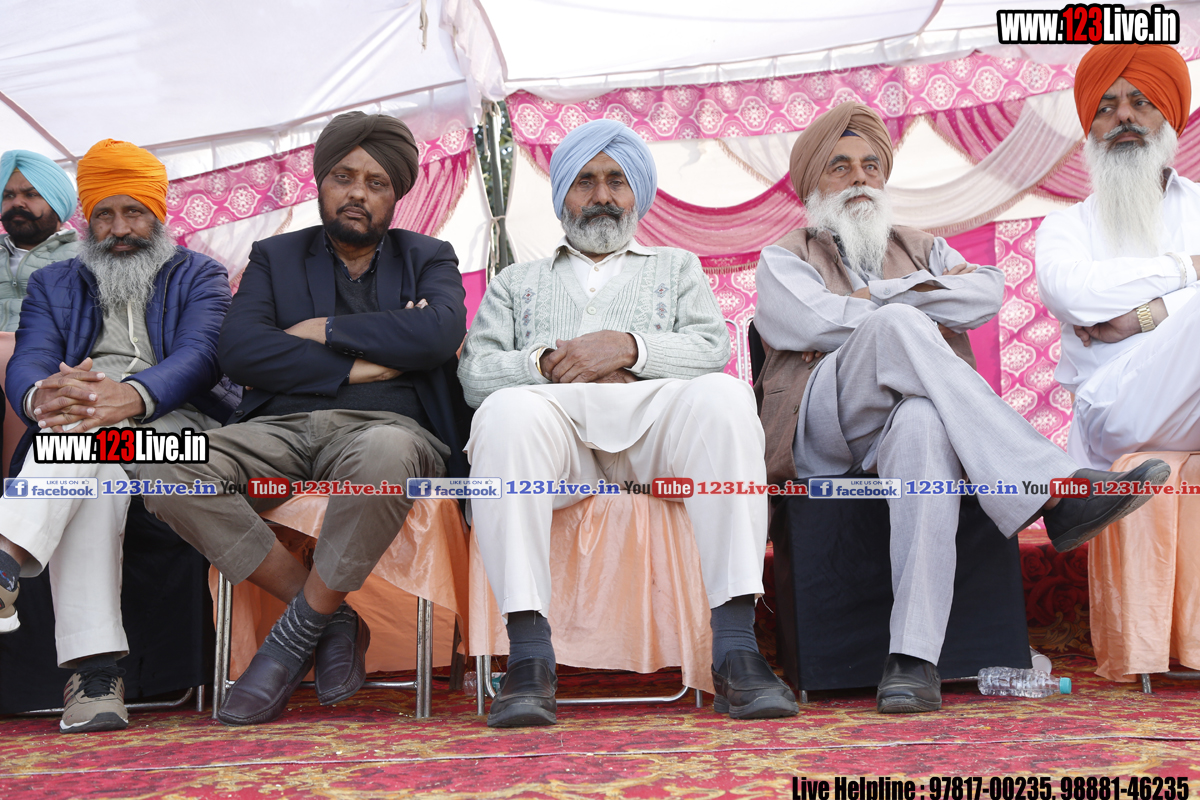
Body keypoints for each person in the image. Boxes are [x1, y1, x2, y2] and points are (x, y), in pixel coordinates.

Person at [754, 103, 1168, 715]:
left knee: (924, 425)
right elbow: (817, 321)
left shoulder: (920, 244)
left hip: (899, 424)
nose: (860, 178)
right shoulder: (784, 256)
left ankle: (912, 662)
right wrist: (913, 306)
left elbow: (985, 292)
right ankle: (1052, 489)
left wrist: (884, 292)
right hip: (821, 424)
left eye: (871, 166)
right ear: (814, 185)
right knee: (894, 328)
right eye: (841, 168)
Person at [460, 119, 798, 728]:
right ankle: (530, 658)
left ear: (636, 193)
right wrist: (549, 363)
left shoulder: (676, 266)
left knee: (725, 398)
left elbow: (711, 348)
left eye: (617, 181)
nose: (603, 196)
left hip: (654, 426)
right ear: (562, 193)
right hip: (557, 432)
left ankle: (736, 649)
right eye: (585, 182)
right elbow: (476, 373)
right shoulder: (516, 281)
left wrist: (628, 348)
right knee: (504, 412)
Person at [145, 112, 471, 726]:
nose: (358, 192)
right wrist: (365, 365)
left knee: (384, 456)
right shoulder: (275, 256)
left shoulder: (429, 255)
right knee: (160, 464)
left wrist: (324, 329)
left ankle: (290, 642)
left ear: (397, 194)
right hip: (277, 429)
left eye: (376, 182)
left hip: (388, 431)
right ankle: (327, 615)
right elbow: (241, 351)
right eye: (344, 177)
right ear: (321, 182)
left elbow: (437, 334)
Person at [0, 139, 238, 733]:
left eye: (134, 212)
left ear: (159, 213)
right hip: (83, 441)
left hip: (186, 444)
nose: (119, 228)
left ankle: (11, 561)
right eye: (104, 214)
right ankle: (96, 680)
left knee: (84, 439)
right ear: (87, 219)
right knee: (96, 465)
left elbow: (202, 356)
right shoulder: (54, 283)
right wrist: (42, 396)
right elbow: (29, 361)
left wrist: (127, 398)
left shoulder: (200, 274)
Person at [1036, 44, 1200, 469]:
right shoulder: (1066, 226)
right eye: (1106, 108)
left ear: (1168, 116)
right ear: (1090, 129)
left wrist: (1145, 316)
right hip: (1114, 408)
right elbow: (1071, 293)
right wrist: (1189, 267)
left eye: (1141, 102)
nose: (1124, 116)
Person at [1, 150, 80, 332]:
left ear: (58, 204)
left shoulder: (86, 259)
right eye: (8, 195)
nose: (17, 203)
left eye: (31, 194)